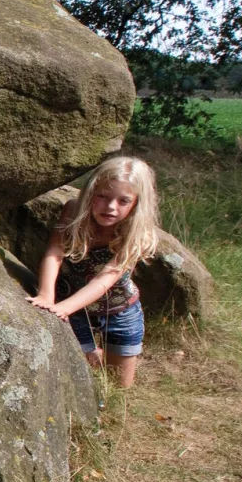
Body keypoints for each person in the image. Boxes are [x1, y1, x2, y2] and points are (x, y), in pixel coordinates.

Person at [28, 156, 160, 387]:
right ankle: (93, 354)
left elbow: (104, 280)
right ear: (91, 192)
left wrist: (62, 308)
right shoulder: (72, 211)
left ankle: (101, 360)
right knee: (79, 374)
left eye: (123, 201)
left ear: (137, 203)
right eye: (103, 196)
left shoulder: (136, 232)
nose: (110, 207)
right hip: (75, 310)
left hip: (120, 311)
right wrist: (46, 296)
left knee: (119, 386)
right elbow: (55, 251)